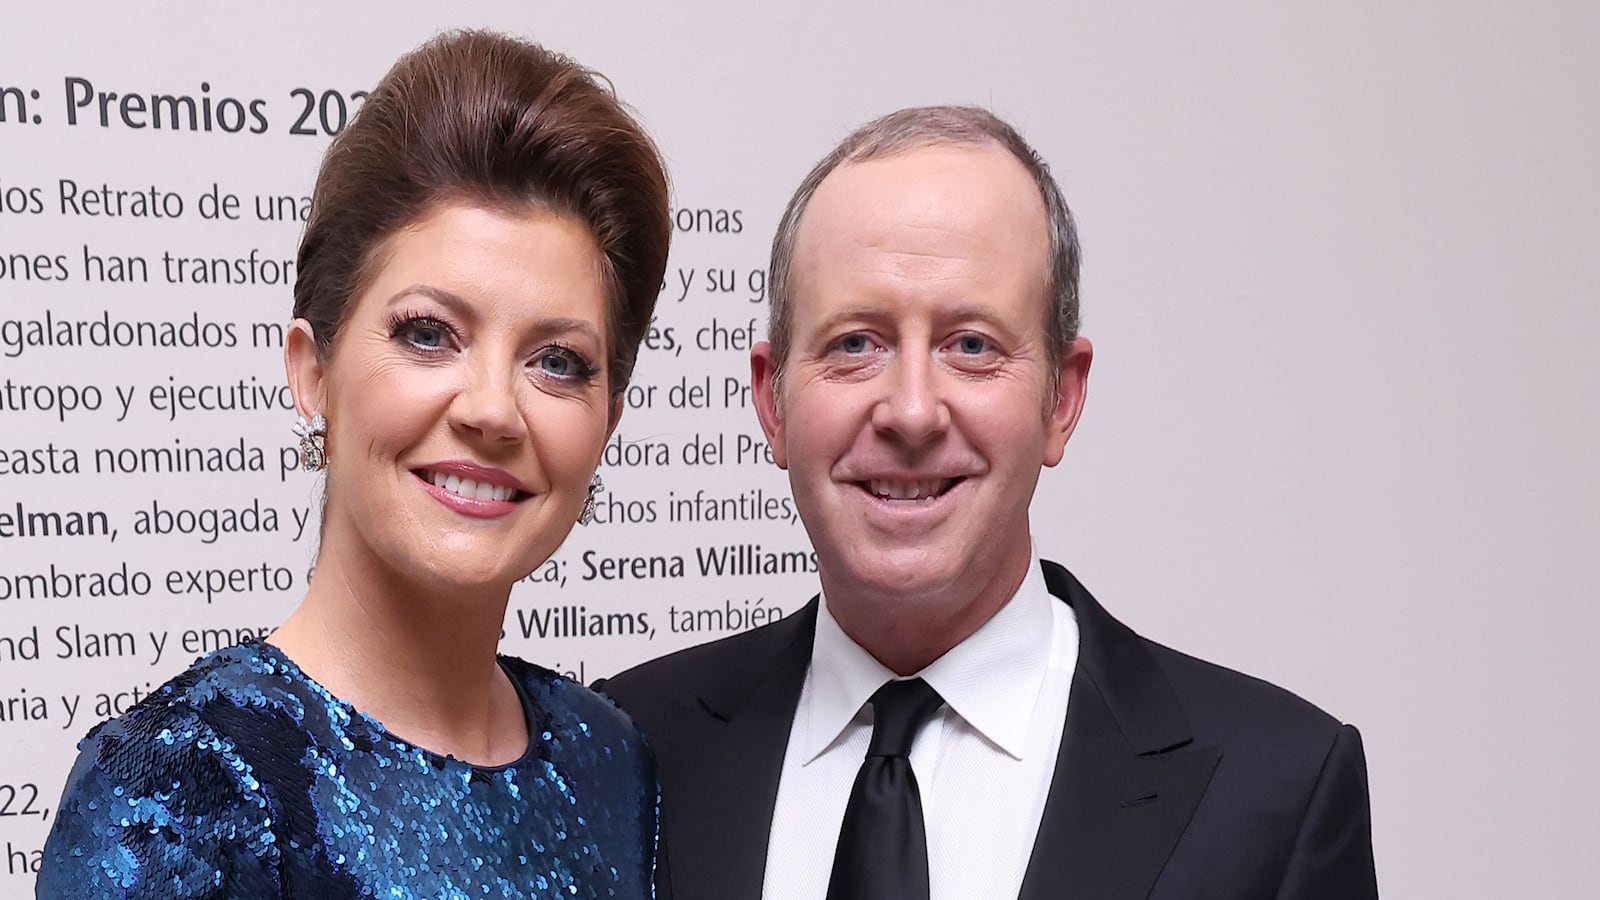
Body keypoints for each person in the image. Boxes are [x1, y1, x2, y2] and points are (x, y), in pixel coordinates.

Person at [597, 106, 1378, 899]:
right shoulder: (625, 750)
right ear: (773, 404)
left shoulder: (1278, 792)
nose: (910, 411)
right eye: (854, 344)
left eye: (971, 346)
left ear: (1061, 399)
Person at [39, 30, 671, 898]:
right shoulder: (178, 790)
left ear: (607, 421)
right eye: (428, 334)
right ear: (314, 371)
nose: (492, 407)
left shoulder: (611, 762)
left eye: (557, 360)